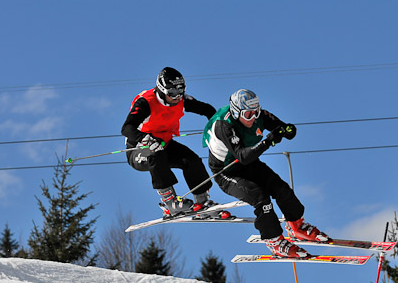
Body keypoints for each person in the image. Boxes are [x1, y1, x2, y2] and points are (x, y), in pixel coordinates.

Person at [202, 89, 330, 258]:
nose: (253, 118)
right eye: (248, 114)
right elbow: (242, 156)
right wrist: (268, 141)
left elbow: (285, 129)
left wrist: (287, 130)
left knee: (281, 188)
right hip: (227, 171)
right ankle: (274, 240)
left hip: (249, 163)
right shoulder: (225, 125)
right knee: (260, 198)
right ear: (236, 112)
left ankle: (297, 225)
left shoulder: (258, 115)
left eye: (255, 113)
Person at [122, 67, 218, 218]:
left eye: (180, 93)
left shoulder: (181, 100)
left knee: (191, 160)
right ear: (161, 90)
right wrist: (144, 139)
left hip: (164, 144)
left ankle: (202, 201)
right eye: (172, 94)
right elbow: (126, 128)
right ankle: (170, 202)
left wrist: (217, 126)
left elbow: (207, 109)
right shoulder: (146, 102)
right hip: (138, 150)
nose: (177, 98)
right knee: (156, 154)